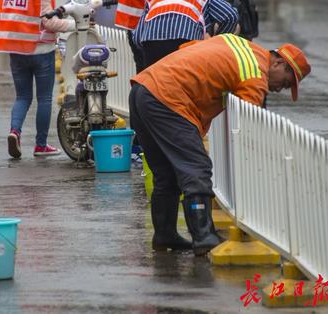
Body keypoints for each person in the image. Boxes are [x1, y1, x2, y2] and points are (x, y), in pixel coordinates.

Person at [130, 35, 311, 255]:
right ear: (278, 63)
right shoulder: (255, 73)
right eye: (284, 82)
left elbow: (188, 48)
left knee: (165, 173)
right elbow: (247, 121)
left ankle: (165, 235)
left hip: (143, 89)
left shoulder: (237, 43)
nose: (278, 89)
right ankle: (204, 237)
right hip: (167, 98)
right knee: (197, 169)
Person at [0, 0, 74, 159]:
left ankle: (14, 131)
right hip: (41, 50)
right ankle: (40, 145)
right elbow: (48, 22)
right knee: (45, 98)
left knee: (22, 97)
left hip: (15, 49)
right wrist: (73, 25)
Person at [133, 0, 239, 69]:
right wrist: (216, 44)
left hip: (151, 42)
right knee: (183, 83)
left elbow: (137, 37)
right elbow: (230, 16)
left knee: (154, 86)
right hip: (185, 39)